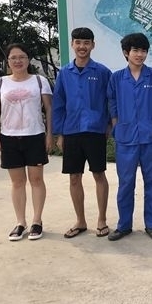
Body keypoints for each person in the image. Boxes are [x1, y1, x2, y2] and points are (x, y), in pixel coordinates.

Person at [0, 43, 53, 241]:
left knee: (36, 180)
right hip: (9, 138)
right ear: (8, 61)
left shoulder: (39, 81)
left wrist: (50, 134)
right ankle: (20, 222)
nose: (18, 61)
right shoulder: (0, 83)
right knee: (17, 182)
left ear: (28, 59)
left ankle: (37, 221)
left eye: (22, 57)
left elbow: (49, 109)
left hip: (35, 136)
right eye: (13, 57)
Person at [52, 27, 111, 239]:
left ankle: (102, 220)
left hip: (95, 130)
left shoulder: (102, 72)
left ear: (93, 45)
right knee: (74, 177)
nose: (82, 46)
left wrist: (109, 126)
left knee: (99, 174)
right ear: (72, 44)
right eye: (78, 42)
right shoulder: (64, 73)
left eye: (86, 42)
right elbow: (59, 104)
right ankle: (81, 221)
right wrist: (60, 133)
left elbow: (110, 101)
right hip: (71, 131)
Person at [107, 33, 152, 241]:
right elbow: (112, 103)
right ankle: (124, 225)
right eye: (135, 50)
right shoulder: (116, 78)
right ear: (126, 53)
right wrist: (116, 124)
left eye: (143, 51)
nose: (140, 54)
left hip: (151, 138)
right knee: (126, 183)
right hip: (126, 138)